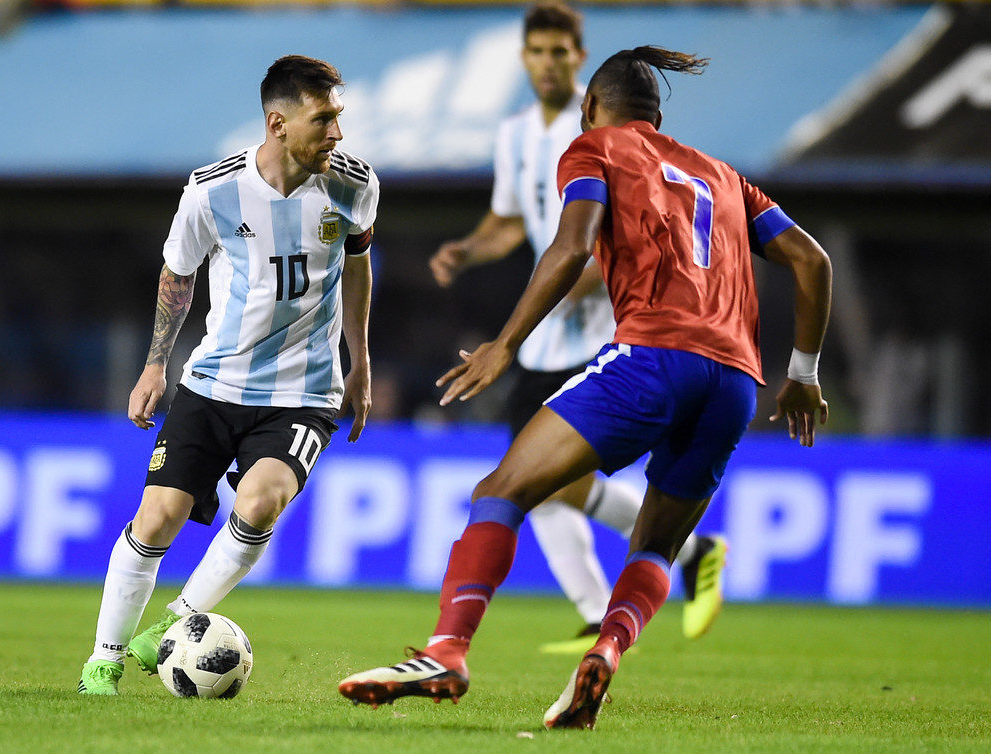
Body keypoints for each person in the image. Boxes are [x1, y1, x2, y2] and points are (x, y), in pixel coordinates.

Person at [339, 45, 831, 730]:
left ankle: (447, 651)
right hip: (735, 382)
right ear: (658, 116)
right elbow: (812, 259)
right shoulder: (725, 177)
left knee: (501, 490)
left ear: (590, 106)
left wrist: (506, 343)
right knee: (656, 546)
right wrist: (803, 373)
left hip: (652, 357)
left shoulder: (593, 148)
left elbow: (571, 246)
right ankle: (606, 650)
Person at [77, 55, 379, 695]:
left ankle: (176, 621)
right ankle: (104, 659)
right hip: (214, 382)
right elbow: (177, 274)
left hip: (304, 390)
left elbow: (357, 263)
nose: (337, 133)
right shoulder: (211, 191)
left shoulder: (355, 185)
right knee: (157, 517)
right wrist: (155, 364)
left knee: (261, 501)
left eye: (338, 117)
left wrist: (360, 359)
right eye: (323, 119)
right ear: (278, 123)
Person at [429, 1, 727, 651]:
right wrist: (469, 250)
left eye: (559, 52)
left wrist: (568, 285)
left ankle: (621, 596)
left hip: (604, 332)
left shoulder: (605, 128)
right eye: (537, 51)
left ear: (580, 61)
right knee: (540, 485)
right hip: (543, 335)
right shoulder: (515, 134)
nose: (547, 63)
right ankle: (670, 565)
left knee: (529, 482)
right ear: (523, 57)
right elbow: (512, 220)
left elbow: (613, 236)